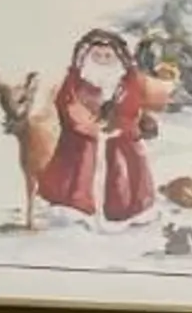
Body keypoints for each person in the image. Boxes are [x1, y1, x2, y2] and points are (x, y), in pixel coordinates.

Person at [33, 26, 173, 227]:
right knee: (77, 175)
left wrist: (120, 127)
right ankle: (76, 210)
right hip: (80, 142)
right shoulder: (75, 80)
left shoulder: (129, 82)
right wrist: (89, 127)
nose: (102, 60)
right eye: (97, 55)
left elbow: (132, 108)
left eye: (108, 56)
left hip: (120, 140)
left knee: (123, 175)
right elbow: (67, 104)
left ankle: (126, 213)